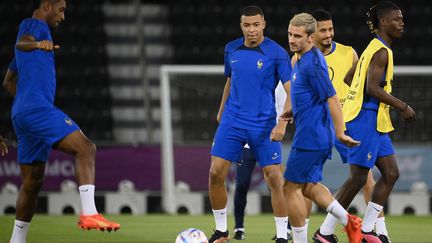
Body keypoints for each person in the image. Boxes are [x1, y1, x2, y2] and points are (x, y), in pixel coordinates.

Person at [5, 1, 120, 242]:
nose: (63, 16)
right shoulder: (34, 26)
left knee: (32, 182)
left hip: (23, 114)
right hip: (37, 110)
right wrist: (38, 42)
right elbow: (22, 42)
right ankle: (90, 213)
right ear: (47, 5)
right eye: (61, 9)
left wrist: (24, 103)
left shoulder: (29, 49)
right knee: (86, 148)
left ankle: (17, 239)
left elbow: (8, 81)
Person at [316, 2, 416, 243]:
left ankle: (369, 228)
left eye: (402, 18)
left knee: (391, 173)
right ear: (383, 22)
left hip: (374, 120)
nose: (401, 23)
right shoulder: (381, 51)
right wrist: (402, 105)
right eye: (396, 19)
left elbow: (351, 77)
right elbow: (371, 88)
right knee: (359, 177)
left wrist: (355, 96)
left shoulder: (373, 47)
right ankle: (325, 232)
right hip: (364, 119)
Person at [209, 5, 291, 243]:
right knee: (215, 172)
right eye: (247, 25)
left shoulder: (277, 53)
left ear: (264, 24)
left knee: (274, 177)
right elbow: (230, 80)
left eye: (256, 25)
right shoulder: (231, 49)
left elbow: (290, 92)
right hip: (233, 120)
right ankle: (222, 231)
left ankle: (281, 235)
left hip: (263, 122)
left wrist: (282, 123)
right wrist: (221, 110)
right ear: (241, 26)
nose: (251, 30)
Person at [309, 9, 389, 242]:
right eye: (323, 30)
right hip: (317, 126)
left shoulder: (348, 52)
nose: (328, 34)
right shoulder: (302, 57)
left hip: (347, 123)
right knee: (305, 182)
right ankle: (302, 234)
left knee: (366, 178)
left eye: (330, 29)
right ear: (312, 33)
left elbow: (359, 84)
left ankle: (377, 231)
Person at [281, 13, 362, 243]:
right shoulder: (300, 59)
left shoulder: (313, 64)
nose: (292, 39)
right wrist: (292, 110)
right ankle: (348, 220)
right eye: (290, 34)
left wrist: (340, 131)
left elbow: (333, 99)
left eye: (298, 36)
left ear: (310, 38)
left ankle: (299, 241)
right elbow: (309, 95)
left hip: (311, 137)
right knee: (308, 186)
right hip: (312, 133)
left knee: (289, 188)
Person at [232, 83, 292, 241]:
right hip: (246, 141)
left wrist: (282, 124)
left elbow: (286, 104)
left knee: (276, 183)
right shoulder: (252, 76)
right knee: (242, 183)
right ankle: (239, 227)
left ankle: (285, 228)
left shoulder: (282, 80)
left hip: (269, 138)